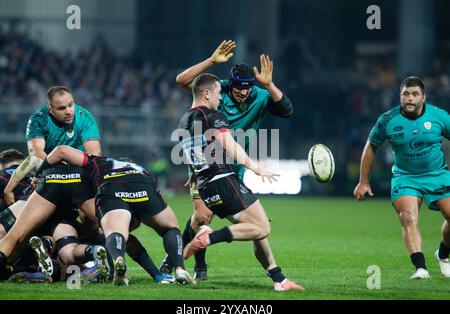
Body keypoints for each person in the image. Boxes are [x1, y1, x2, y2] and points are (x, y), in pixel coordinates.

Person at [161, 40, 294, 280]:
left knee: (255, 226)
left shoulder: (260, 96)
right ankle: (184, 262)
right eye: (238, 87)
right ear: (227, 85)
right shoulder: (216, 92)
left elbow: (286, 110)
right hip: (208, 167)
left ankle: (277, 276)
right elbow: (182, 81)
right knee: (203, 216)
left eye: (248, 87)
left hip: (234, 171)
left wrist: (269, 84)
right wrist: (211, 61)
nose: (243, 91)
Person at [177, 73, 303, 291]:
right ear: (206, 94)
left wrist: (195, 173)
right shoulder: (213, 116)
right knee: (261, 227)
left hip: (206, 187)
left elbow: (190, 155)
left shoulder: (184, 120)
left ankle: (278, 278)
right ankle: (209, 236)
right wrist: (255, 167)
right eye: (217, 94)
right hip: (223, 180)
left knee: (255, 227)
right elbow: (229, 146)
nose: (220, 99)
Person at [31, 146, 194, 286]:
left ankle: (118, 261)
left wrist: (38, 174)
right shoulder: (140, 169)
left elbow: (61, 150)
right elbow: (132, 237)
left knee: (116, 234)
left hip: (109, 190)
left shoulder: (98, 162)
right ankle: (180, 269)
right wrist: (155, 274)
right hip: (143, 186)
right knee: (170, 228)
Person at [353, 76, 450, 279]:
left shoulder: (439, 116)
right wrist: (363, 181)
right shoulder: (388, 120)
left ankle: (442, 255)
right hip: (405, 177)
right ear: (400, 96)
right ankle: (420, 268)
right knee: (407, 217)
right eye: (406, 94)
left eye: (415, 94)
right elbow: (371, 145)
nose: (410, 99)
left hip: (437, 175)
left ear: (424, 97)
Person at [4, 86, 101, 205]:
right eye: (62, 108)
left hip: (79, 169)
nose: (69, 111)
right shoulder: (38, 120)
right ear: (51, 110)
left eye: (71, 105)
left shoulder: (85, 118)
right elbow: (36, 155)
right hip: (49, 169)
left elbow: (94, 155)